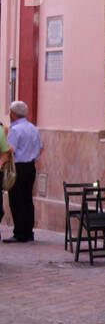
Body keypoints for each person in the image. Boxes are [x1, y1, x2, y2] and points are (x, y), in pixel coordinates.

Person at [5, 100, 42, 242]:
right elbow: (40, 147)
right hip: (30, 167)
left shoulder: (14, 130)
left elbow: (10, 150)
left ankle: (19, 232)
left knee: (16, 199)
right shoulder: (33, 128)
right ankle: (28, 231)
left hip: (18, 167)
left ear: (13, 114)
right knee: (27, 198)